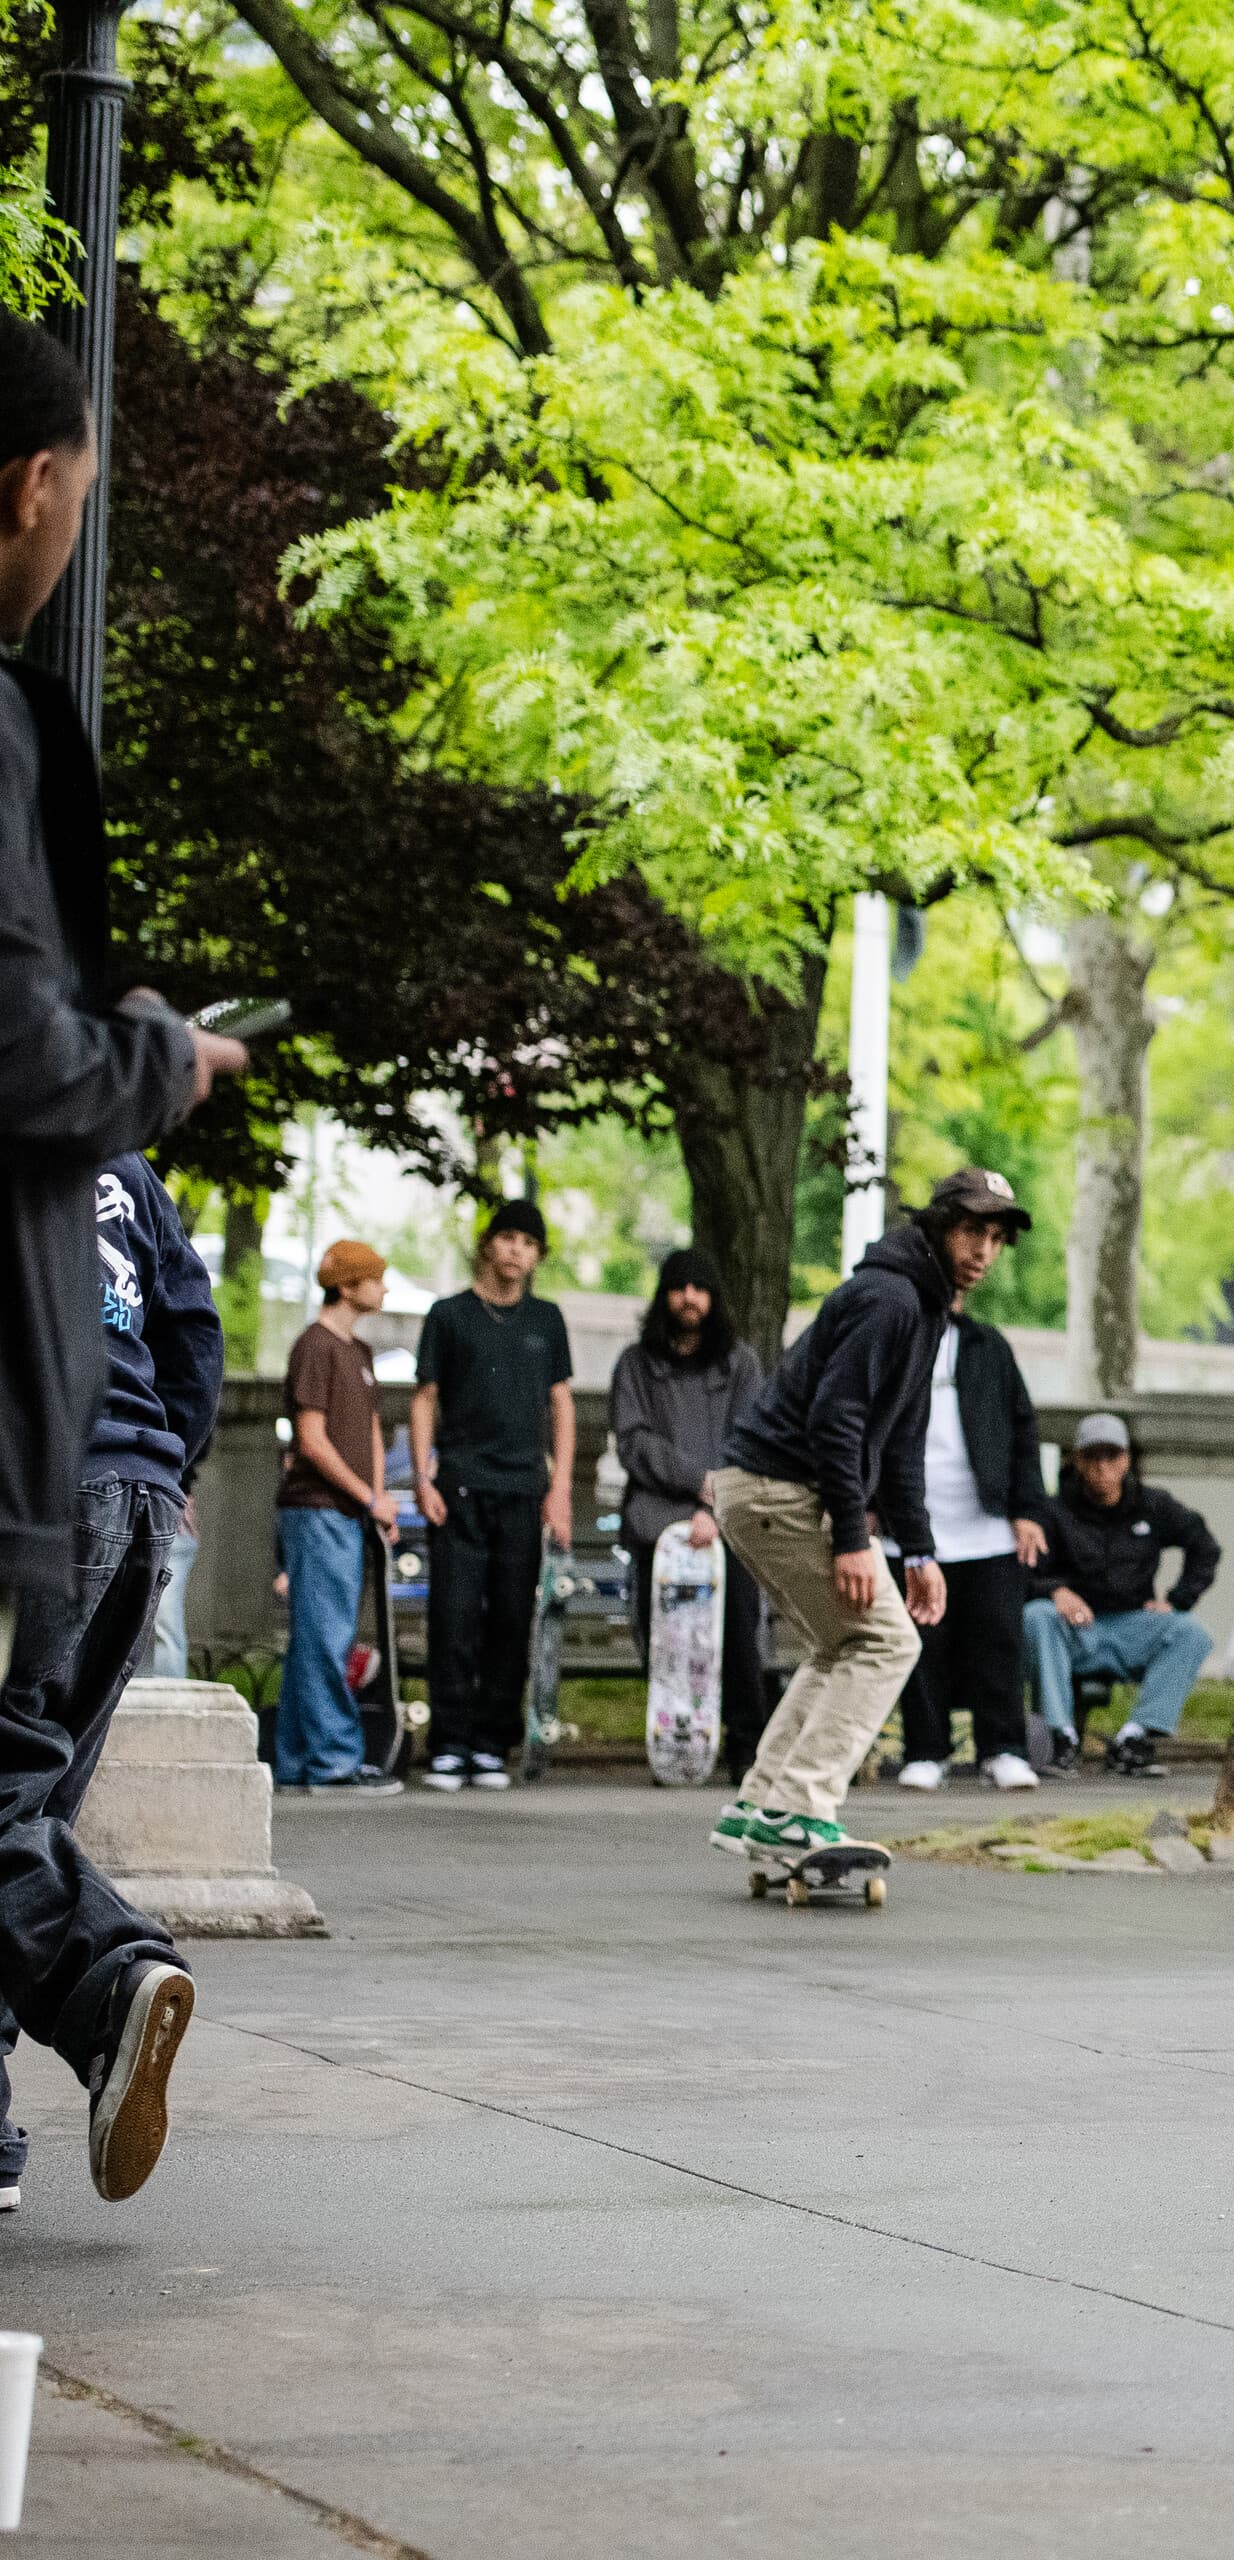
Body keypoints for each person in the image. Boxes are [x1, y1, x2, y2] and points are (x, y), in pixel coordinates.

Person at [0, 315, 249, 2203]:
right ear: (31, 487)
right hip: (51, 1436)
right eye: (81, 492)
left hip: (84, 1459)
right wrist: (160, 1060)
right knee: (11, 1786)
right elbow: (28, 1058)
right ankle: (96, 1984)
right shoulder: (1, 720)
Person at [0, 1153, 228, 2213]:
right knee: (24, 1819)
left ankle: (108, 1987)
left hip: (34, 1503)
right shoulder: (117, 1154)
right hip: (135, 1500)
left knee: (7, 1821)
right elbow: (192, 1327)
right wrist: (164, 1464)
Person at [702, 1170, 1027, 1859]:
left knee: (842, 1644)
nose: (984, 1250)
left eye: (996, 1237)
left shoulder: (925, 1304)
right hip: (778, 1490)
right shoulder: (893, 1299)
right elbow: (838, 1418)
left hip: (764, 1491)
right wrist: (853, 1538)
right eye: (972, 1230)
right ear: (937, 1226)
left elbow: (901, 1441)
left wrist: (919, 1552)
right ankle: (798, 1809)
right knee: (887, 1641)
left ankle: (760, 1803)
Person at [409, 1199, 575, 1790]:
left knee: (510, 1617)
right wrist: (422, 1478)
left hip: (523, 1489)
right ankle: (449, 1743)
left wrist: (560, 1491)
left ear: (537, 1257)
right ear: (489, 1245)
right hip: (458, 1485)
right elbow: (424, 1398)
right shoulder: (449, 1315)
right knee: (453, 1615)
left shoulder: (547, 1320)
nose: (517, 1252)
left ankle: (490, 1742)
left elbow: (561, 1403)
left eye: (529, 1244)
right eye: (508, 1239)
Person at [608, 1247, 773, 1782]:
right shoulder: (636, 1364)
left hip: (730, 1526)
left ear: (713, 1298)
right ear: (664, 1296)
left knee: (740, 1638)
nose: (689, 1298)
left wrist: (713, 1503)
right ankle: (676, 1748)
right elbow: (633, 1441)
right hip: (658, 1528)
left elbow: (751, 1438)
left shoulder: (741, 1363)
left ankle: (746, 1749)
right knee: (662, 1644)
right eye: (679, 1287)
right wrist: (694, 1484)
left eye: (700, 1288)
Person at [892, 1298, 1054, 1792]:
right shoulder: (895, 1344)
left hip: (987, 1527)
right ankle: (925, 1750)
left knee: (998, 1640)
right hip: (914, 1527)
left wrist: (1027, 1510)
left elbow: (1024, 1430)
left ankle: (1003, 1748)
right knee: (922, 1646)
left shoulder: (989, 1346)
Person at [274, 1241, 404, 1794]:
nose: (384, 1288)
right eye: (375, 1279)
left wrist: (379, 1500)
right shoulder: (315, 1347)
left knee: (318, 1637)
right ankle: (335, 1761)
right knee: (327, 1639)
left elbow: (370, 1432)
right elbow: (311, 1439)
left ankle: (298, 1761)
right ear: (347, 1286)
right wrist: (365, 1496)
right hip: (318, 1510)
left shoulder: (360, 1353)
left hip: (349, 1512)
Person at [1025, 1414, 1222, 1775]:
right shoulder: (1053, 1510)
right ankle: (1061, 1736)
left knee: (1190, 1632)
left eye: (1111, 1456)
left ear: (1126, 1460)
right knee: (1037, 1615)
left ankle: (1135, 1737)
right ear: (1079, 1461)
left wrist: (1177, 1599)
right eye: (1093, 1457)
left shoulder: (1154, 1504)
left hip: (1131, 1625)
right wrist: (1055, 1591)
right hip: (1078, 1629)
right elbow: (1025, 1569)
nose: (1103, 1467)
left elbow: (1204, 1547)